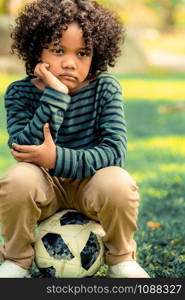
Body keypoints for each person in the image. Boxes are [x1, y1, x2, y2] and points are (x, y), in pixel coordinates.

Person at [0, 0, 150, 278]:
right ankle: (16, 260)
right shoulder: (19, 93)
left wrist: (56, 158)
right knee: (17, 178)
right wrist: (55, 95)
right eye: (58, 50)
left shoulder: (105, 88)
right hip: (43, 186)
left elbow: (114, 152)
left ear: (97, 55)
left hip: (90, 186)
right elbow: (22, 148)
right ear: (36, 50)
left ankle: (121, 259)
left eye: (83, 53)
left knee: (118, 181)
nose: (70, 62)